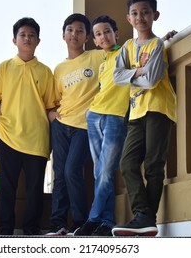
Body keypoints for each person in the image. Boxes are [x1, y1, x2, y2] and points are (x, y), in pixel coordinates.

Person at [111, 0, 177, 237]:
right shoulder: (128, 46)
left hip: (158, 108)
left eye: (146, 12)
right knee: (127, 163)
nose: (140, 17)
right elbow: (117, 76)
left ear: (155, 15)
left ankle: (146, 220)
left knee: (153, 165)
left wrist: (133, 75)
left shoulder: (157, 44)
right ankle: (143, 215)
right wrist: (139, 72)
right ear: (129, 18)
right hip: (136, 111)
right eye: (135, 13)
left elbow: (152, 82)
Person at [0, 17, 55, 236]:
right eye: (22, 35)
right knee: (7, 187)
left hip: (37, 139)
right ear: (14, 39)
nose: (27, 38)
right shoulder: (4, 68)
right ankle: (4, 230)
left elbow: (50, 106)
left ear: (38, 41)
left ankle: (31, 230)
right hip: (7, 137)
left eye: (31, 35)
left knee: (35, 189)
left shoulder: (45, 71)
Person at [45, 13, 105, 236]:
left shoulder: (97, 57)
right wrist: (52, 115)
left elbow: (123, 54)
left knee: (72, 170)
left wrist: (162, 39)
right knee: (59, 173)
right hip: (61, 126)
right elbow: (54, 99)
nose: (74, 34)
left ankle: (81, 223)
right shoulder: (59, 68)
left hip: (85, 125)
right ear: (63, 35)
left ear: (87, 37)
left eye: (80, 31)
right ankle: (57, 224)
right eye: (70, 30)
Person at [73, 15, 130, 237]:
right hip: (94, 116)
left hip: (116, 117)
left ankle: (93, 218)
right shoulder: (104, 61)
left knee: (106, 170)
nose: (103, 36)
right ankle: (106, 222)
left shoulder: (126, 52)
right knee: (100, 172)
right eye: (98, 34)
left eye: (107, 31)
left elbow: (146, 50)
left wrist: (163, 39)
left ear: (116, 33)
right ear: (94, 41)